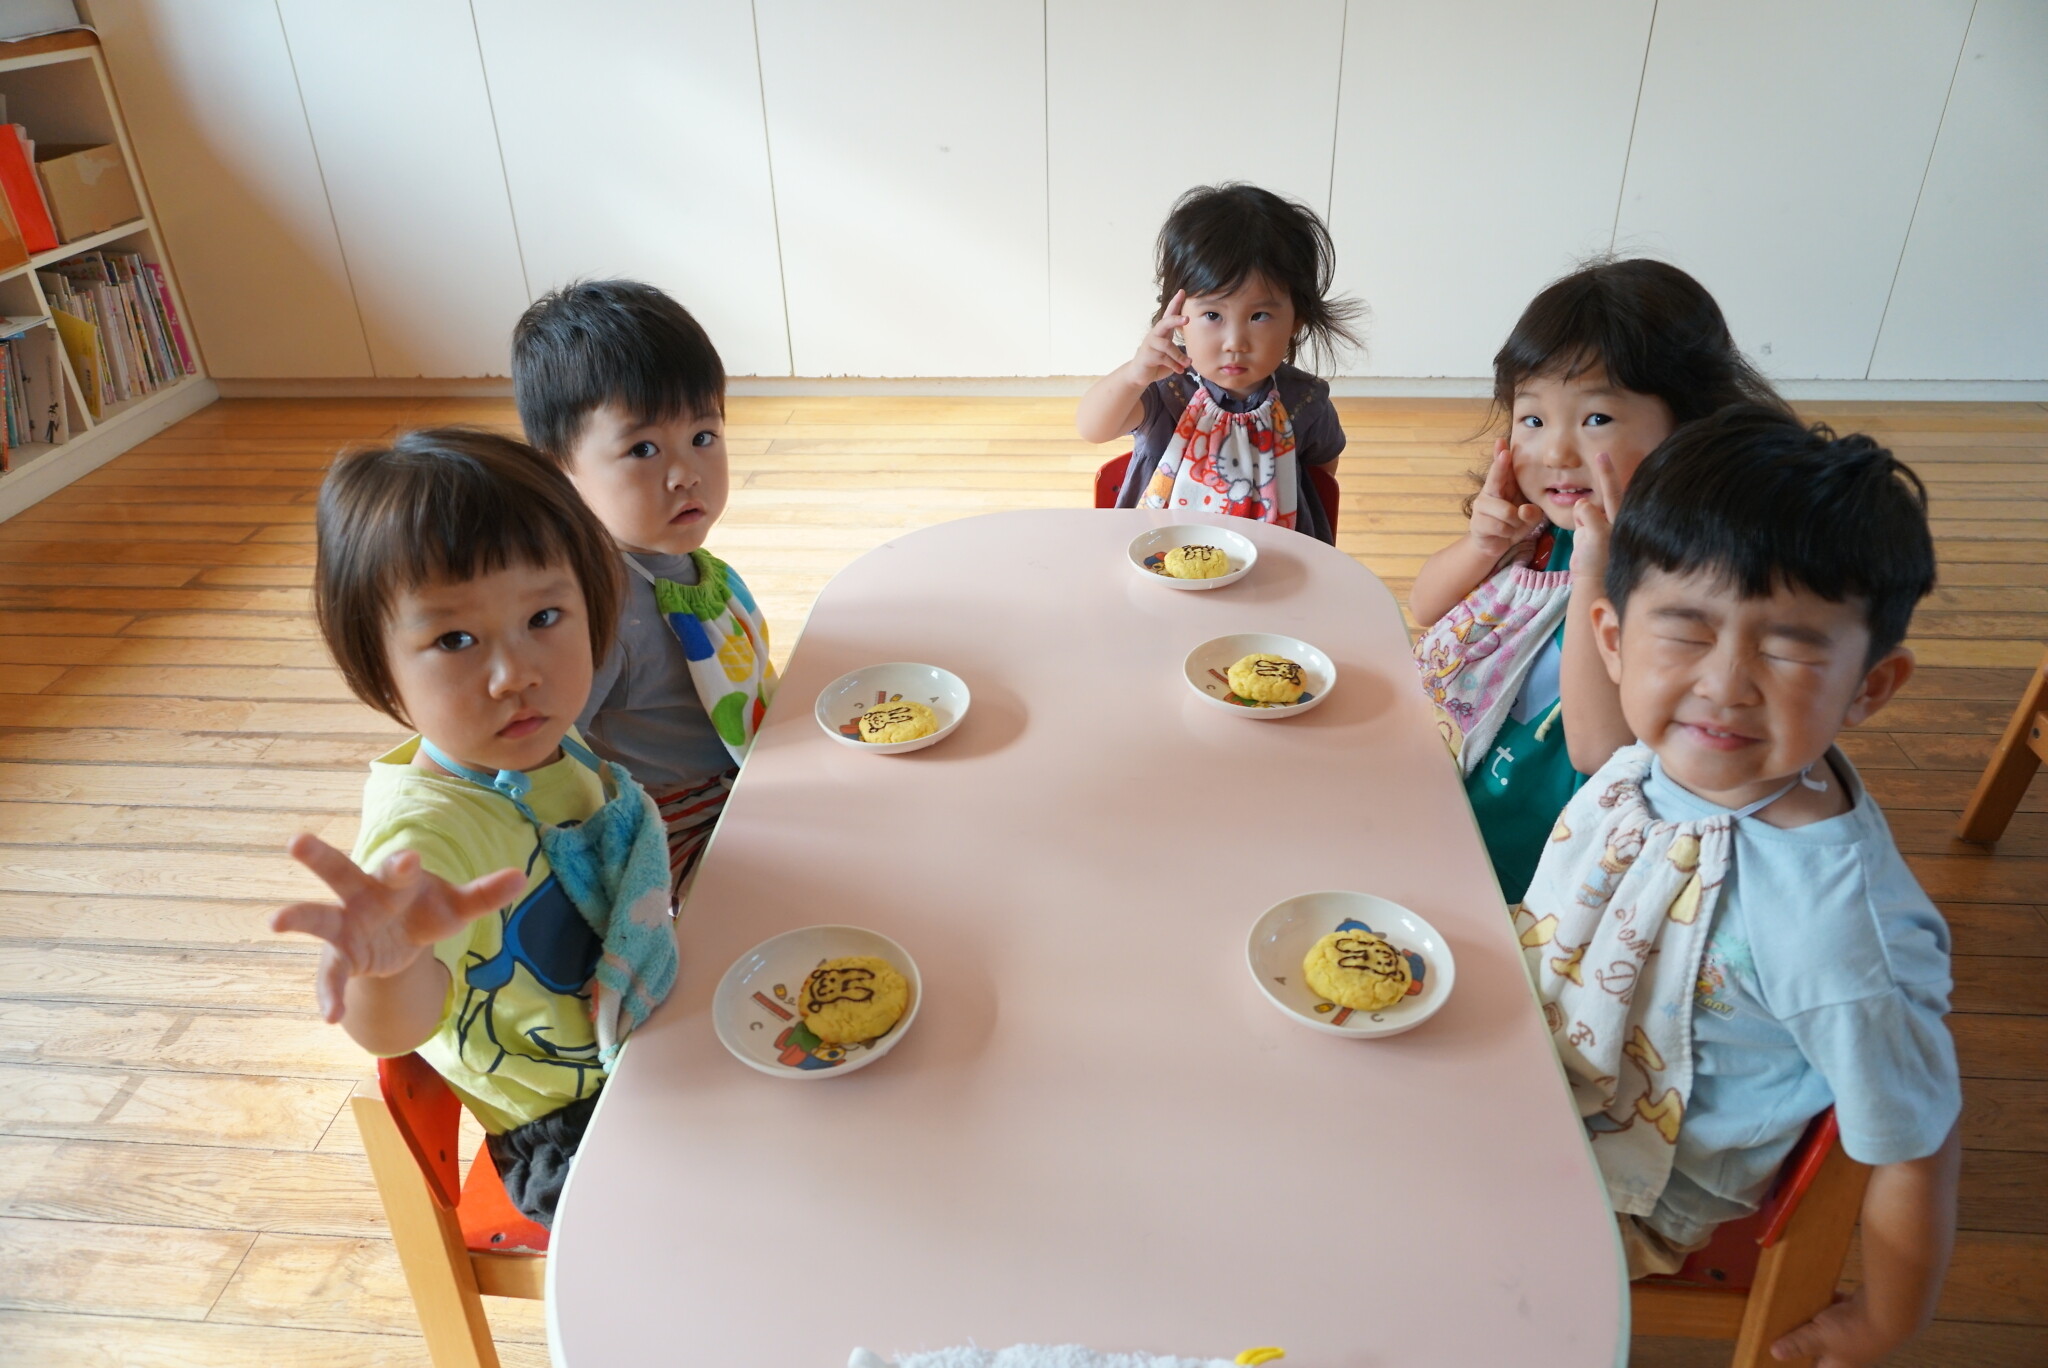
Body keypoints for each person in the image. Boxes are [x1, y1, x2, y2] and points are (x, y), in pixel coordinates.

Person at [1517, 405, 1959, 1365]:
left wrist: (1887, 1318)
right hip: (1535, 1069)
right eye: (1686, 630)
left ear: (1870, 687)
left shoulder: (1840, 934)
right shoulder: (1657, 756)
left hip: (1625, 1192)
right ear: (1613, 639)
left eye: (1789, 645)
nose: (1725, 683)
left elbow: (1915, 1138)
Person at [274, 429, 679, 1227]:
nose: (515, 673)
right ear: (378, 666)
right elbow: (394, 1030)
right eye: (455, 640)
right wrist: (387, 966)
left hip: (649, 1038)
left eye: (544, 616)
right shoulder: (424, 841)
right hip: (573, 1130)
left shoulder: (537, 741)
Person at [1409, 258, 1789, 902]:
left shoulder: (1684, 582)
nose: (1558, 452)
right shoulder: (1543, 530)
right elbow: (1426, 606)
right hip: (1457, 794)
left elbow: (1598, 749)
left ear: (1687, 428)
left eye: (1595, 420)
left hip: (1538, 851)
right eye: (1533, 420)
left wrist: (1594, 569)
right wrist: (1482, 545)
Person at [512, 278, 775, 898]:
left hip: (750, 779)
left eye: (703, 437)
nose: (685, 474)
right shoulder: (598, 611)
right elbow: (546, 752)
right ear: (558, 469)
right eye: (644, 448)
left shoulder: (670, 557)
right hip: (684, 826)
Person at [1075, 183, 1362, 543]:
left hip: (1273, 559)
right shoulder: (1166, 389)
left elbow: (1321, 478)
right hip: (1161, 555)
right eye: (1213, 315)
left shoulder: (1306, 402)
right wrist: (1134, 375)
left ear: (1296, 321)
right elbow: (1092, 429)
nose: (1235, 342)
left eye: (1259, 316)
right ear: (1178, 315)